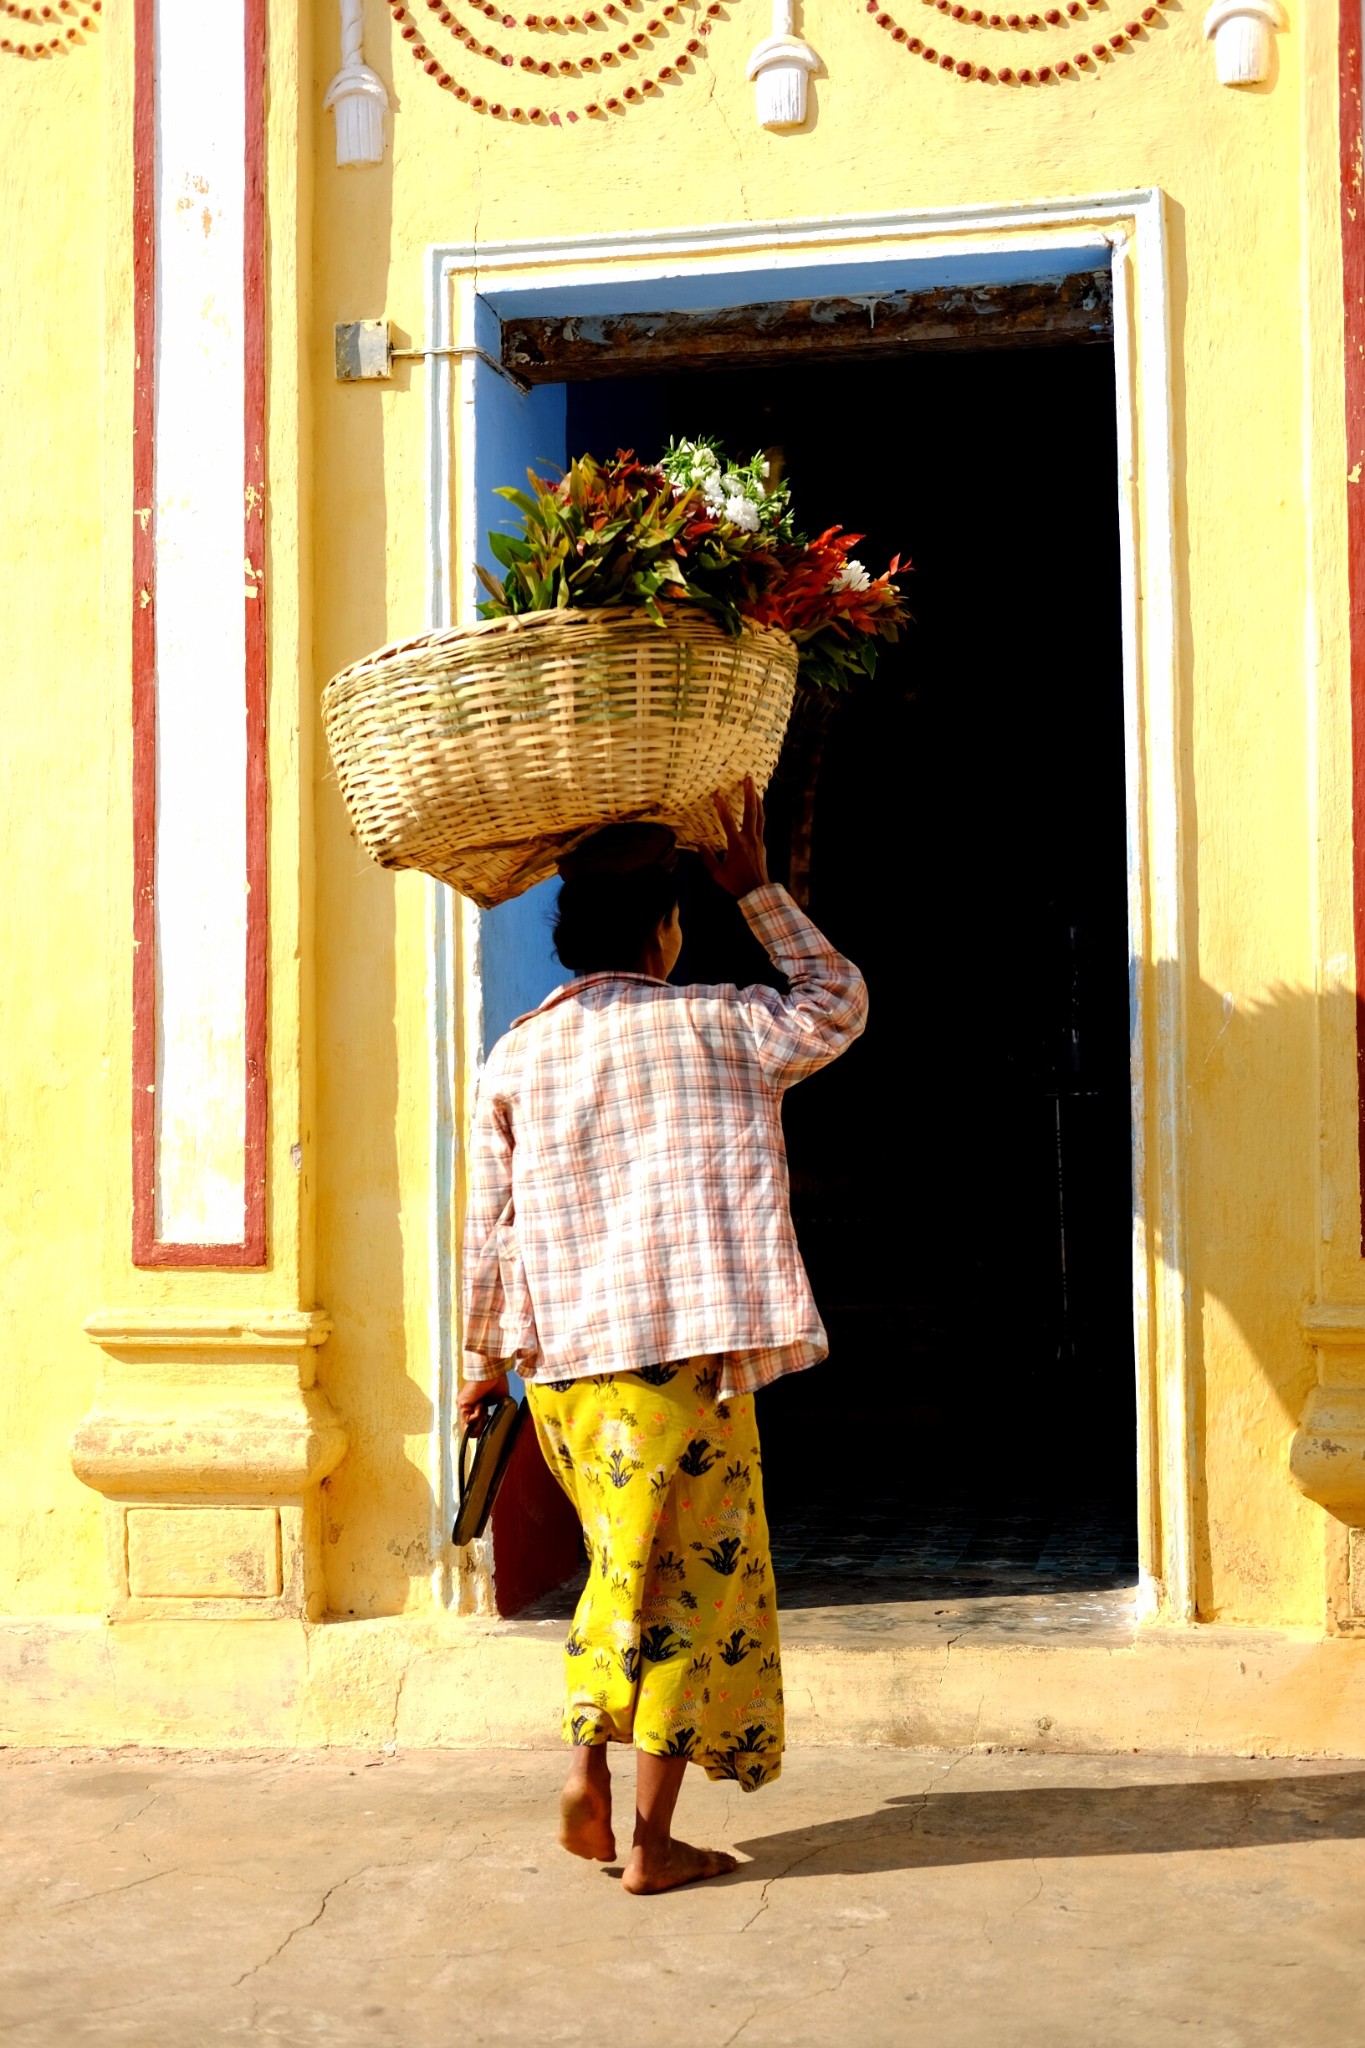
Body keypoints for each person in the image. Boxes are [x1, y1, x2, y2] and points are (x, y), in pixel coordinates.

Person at [457, 777, 867, 1893]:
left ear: (565, 941)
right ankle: (647, 1840)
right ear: (668, 926)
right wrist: (761, 891)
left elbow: (489, 1232)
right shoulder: (722, 1023)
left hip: (566, 1380)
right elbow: (836, 1000)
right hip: (680, 1369)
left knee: (615, 1569)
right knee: (690, 1590)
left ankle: (592, 1769)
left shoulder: (516, 1055)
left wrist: (481, 1364)